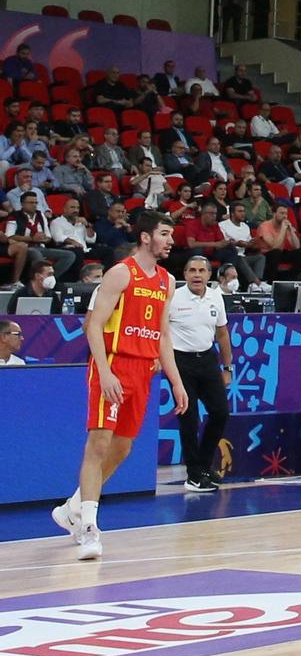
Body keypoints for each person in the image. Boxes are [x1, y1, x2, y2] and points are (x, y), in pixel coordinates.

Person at [52, 211, 186, 562]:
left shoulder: (167, 281)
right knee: (98, 443)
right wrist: (106, 371)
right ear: (145, 237)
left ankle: (73, 506)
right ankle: (88, 527)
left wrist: (176, 380)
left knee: (123, 448)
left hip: (143, 371)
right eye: (165, 234)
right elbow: (92, 325)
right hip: (112, 365)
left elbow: (163, 336)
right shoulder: (120, 273)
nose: (171, 241)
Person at [166, 255, 232, 492]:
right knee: (189, 418)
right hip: (180, 361)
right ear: (184, 275)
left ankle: (204, 465)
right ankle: (194, 475)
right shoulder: (173, 297)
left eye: (201, 271)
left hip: (207, 359)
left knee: (220, 413)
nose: (197, 275)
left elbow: (222, 333)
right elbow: (161, 332)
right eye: (192, 270)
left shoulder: (216, 297)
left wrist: (227, 367)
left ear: (208, 275)